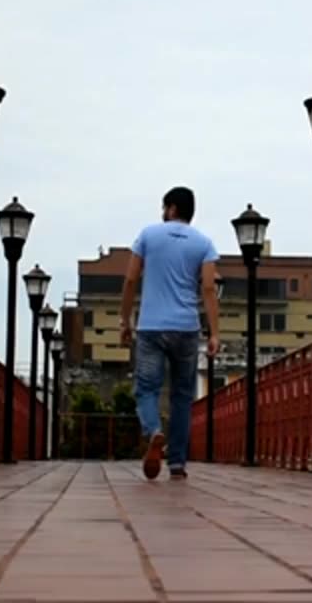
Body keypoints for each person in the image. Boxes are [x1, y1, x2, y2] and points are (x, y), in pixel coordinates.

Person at [120, 186, 220, 480]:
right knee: (182, 395)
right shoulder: (204, 243)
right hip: (187, 328)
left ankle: (153, 432)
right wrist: (214, 333)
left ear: (172, 208)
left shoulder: (148, 235)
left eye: (164, 207)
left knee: (146, 388)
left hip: (151, 327)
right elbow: (209, 288)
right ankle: (177, 462)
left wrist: (125, 321)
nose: (162, 212)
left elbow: (130, 280)